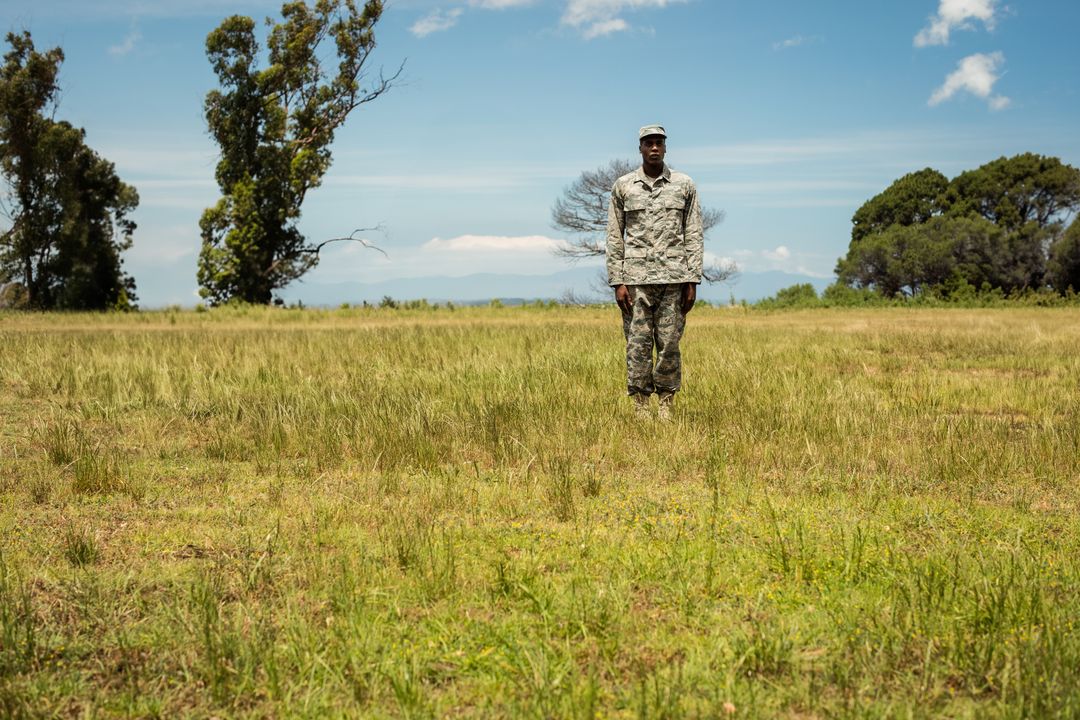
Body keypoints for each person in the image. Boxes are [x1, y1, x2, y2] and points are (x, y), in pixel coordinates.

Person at [605, 124, 703, 421]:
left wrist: (693, 278)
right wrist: (617, 280)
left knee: (670, 343)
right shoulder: (624, 186)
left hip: (674, 279)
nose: (654, 148)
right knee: (638, 343)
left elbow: (694, 232)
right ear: (640, 148)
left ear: (665, 146)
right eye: (649, 143)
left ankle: (666, 404)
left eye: (659, 142)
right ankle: (640, 405)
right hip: (635, 281)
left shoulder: (684, 184)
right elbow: (613, 234)